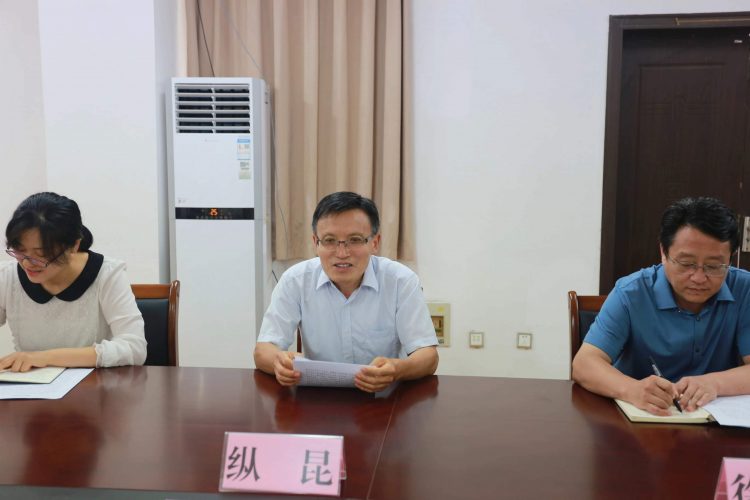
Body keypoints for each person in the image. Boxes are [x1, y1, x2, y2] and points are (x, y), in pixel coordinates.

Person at [572, 197, 750, 415]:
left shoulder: (745, 290)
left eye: (714, 266)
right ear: (664, 253)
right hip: (639, 420)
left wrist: (714, 383)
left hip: (715, 423)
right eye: (686, 263)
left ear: (730, 260)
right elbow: (584, 364)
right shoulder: (631, 293)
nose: (698, 277)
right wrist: (632, 389)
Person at [254, 191, 439, 392]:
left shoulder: (401, 281)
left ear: (375, 243)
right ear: (315, 243)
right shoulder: (295, 280)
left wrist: (397, 370)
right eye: (329, 240)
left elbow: (428, 356)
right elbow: (263, 350)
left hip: (385, 397)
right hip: (319, 398)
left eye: (355, 240)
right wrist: (279, 362)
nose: (342, 253)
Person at [0, 192, 146, 371]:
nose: (26, 263)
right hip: (28, 385)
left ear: (73, 246)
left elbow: (134, 348)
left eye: (41, 254)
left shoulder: (107, 274)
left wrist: (45, 357)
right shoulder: (7, 276)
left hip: (96, 384)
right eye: (20, 250)